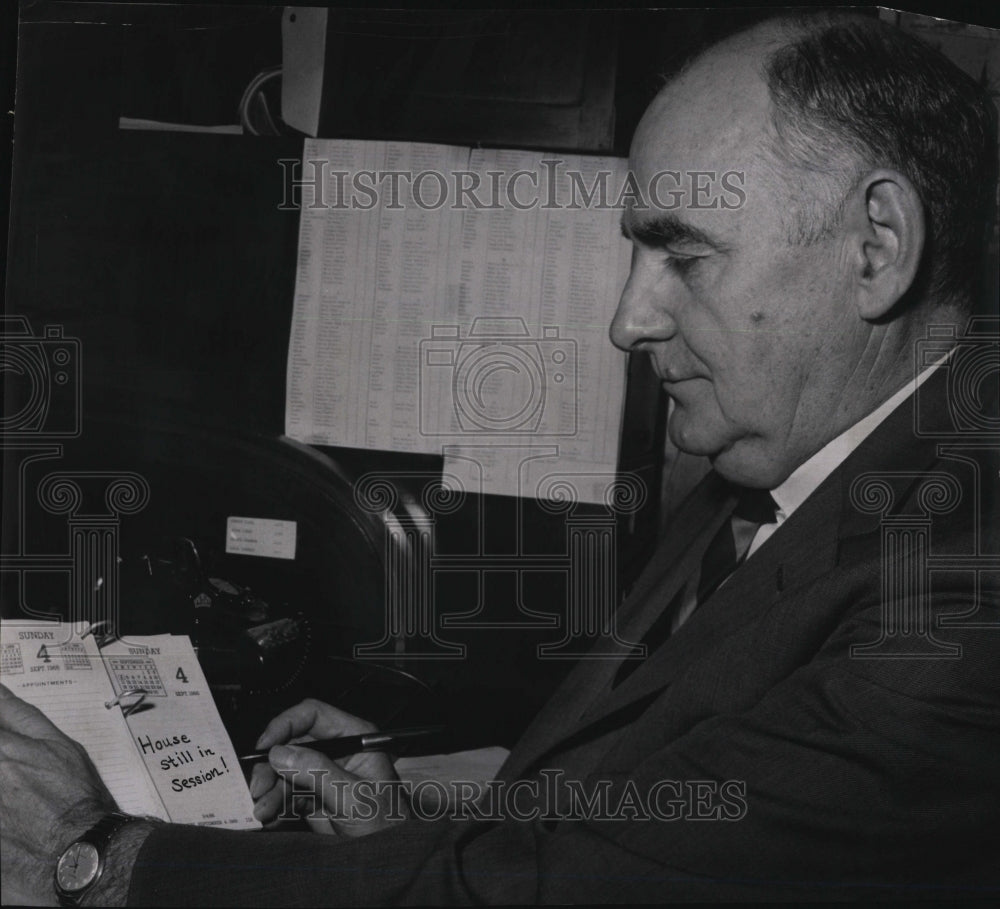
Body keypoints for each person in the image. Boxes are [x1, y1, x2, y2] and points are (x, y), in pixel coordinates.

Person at [2, 10, 998, 905]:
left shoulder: (955, 599)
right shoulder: (799, 467)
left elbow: (561, 891)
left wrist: (94, 854)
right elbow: (661, 812)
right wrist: (424, 827)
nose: (627, 320)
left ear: (876, 246)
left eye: (684, 257)